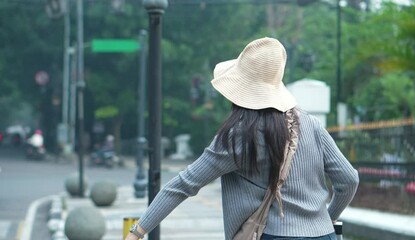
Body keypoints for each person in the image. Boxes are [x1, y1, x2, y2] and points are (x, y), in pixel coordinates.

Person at [125, 37, 359, 240]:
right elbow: (349, 180)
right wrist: (325, 220)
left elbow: (184, 184)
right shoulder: (311, 124)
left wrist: (137, 231)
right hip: (323, 235)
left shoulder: (239, 136)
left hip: (271, 234)